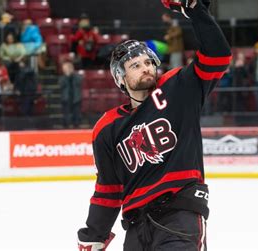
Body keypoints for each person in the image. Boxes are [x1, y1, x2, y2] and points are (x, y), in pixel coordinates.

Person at [77, 0, 231, 250]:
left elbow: (218, 56)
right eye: (135, 66)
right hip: (137, 227)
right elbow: (108, 188)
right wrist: (94, 234)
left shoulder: (178, 88)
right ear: (121, 79)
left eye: (148, 62)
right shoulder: (107, 128)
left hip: (179, 217)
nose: (145, 68)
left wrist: (195, 10)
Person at [59, 61, 82, 128]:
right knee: (66, 113)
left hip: (76, 97)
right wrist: (67, 76)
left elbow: (79, 82)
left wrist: (72, 74)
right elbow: (61, 85)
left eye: (67, 68)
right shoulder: (62, 78)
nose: (65, 69)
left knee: (76, 113)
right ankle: (66, 125)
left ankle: (76, 124)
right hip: (66, 98)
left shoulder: (77, 76)